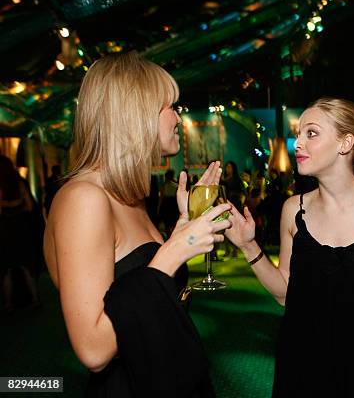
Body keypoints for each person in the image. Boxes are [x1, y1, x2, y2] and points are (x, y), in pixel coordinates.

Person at [43, 52, 231, 397]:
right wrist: (174, 252)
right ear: (136, 114)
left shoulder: (126, 194)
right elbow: (93, 349)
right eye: (170, 107)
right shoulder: (84, 199)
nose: (178, 117)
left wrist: (182, 231)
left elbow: (143, 286)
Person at [225, 97, 354, 397]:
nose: (297, 143)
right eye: (298, 134)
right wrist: (249, 246)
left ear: (345, 143)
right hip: (301, 365)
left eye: (311, 133)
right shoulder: (293, 209)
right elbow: (285, 293)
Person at [0, 155, 42, 312]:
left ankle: (8, 303)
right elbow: (30, 207)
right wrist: (18, 208)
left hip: (5, 230)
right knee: (26, 266)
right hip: (21, 228)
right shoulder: (19, 183)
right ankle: (35, 299)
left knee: (7, 269)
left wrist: (8, 209)